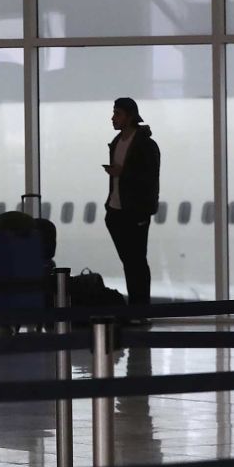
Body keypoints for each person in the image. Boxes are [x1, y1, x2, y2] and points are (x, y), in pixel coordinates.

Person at [102, 97, 160, 313]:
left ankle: (140, 310)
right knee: (130, 262)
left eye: (117, 113)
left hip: (135, 211)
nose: (113, 118)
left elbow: (150, 177)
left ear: (129, 116)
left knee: (136, 262)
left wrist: (122, 173)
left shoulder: (146, 145)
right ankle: (136, 310)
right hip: (116, 210)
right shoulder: (117, 142)